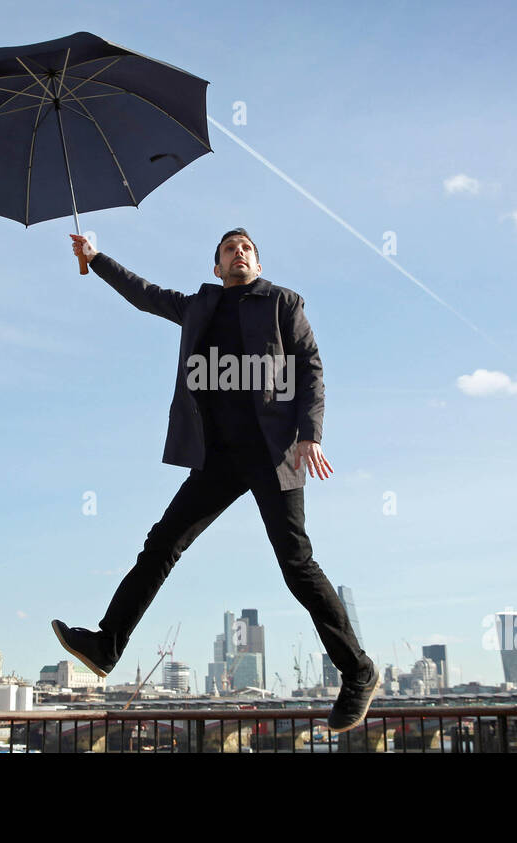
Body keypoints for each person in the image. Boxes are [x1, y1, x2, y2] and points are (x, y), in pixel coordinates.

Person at [53, 227, 379, 732]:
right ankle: (106, 644)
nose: (239, 253)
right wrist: (95, 258)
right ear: (216, 267)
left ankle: (358, 671)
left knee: (296, 564)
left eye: (247, 247)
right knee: (162, 543)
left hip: (278, 453)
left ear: (259, 263)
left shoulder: (282, 302)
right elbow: (145, 295)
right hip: (218, 457)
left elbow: (311, 368)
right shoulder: (199, 306)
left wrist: (310, 434)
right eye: (230, 249)